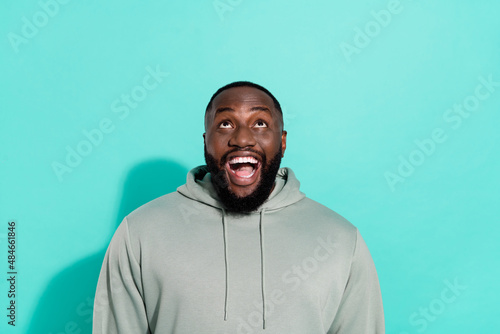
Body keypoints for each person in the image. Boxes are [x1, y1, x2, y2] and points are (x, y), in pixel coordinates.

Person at [93, 81, 385, 333]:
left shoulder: (341, 239)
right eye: (225, 124)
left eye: (260, 123)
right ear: (206, 142)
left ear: (282, 142)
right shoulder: (140, 233)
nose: (242, 138)